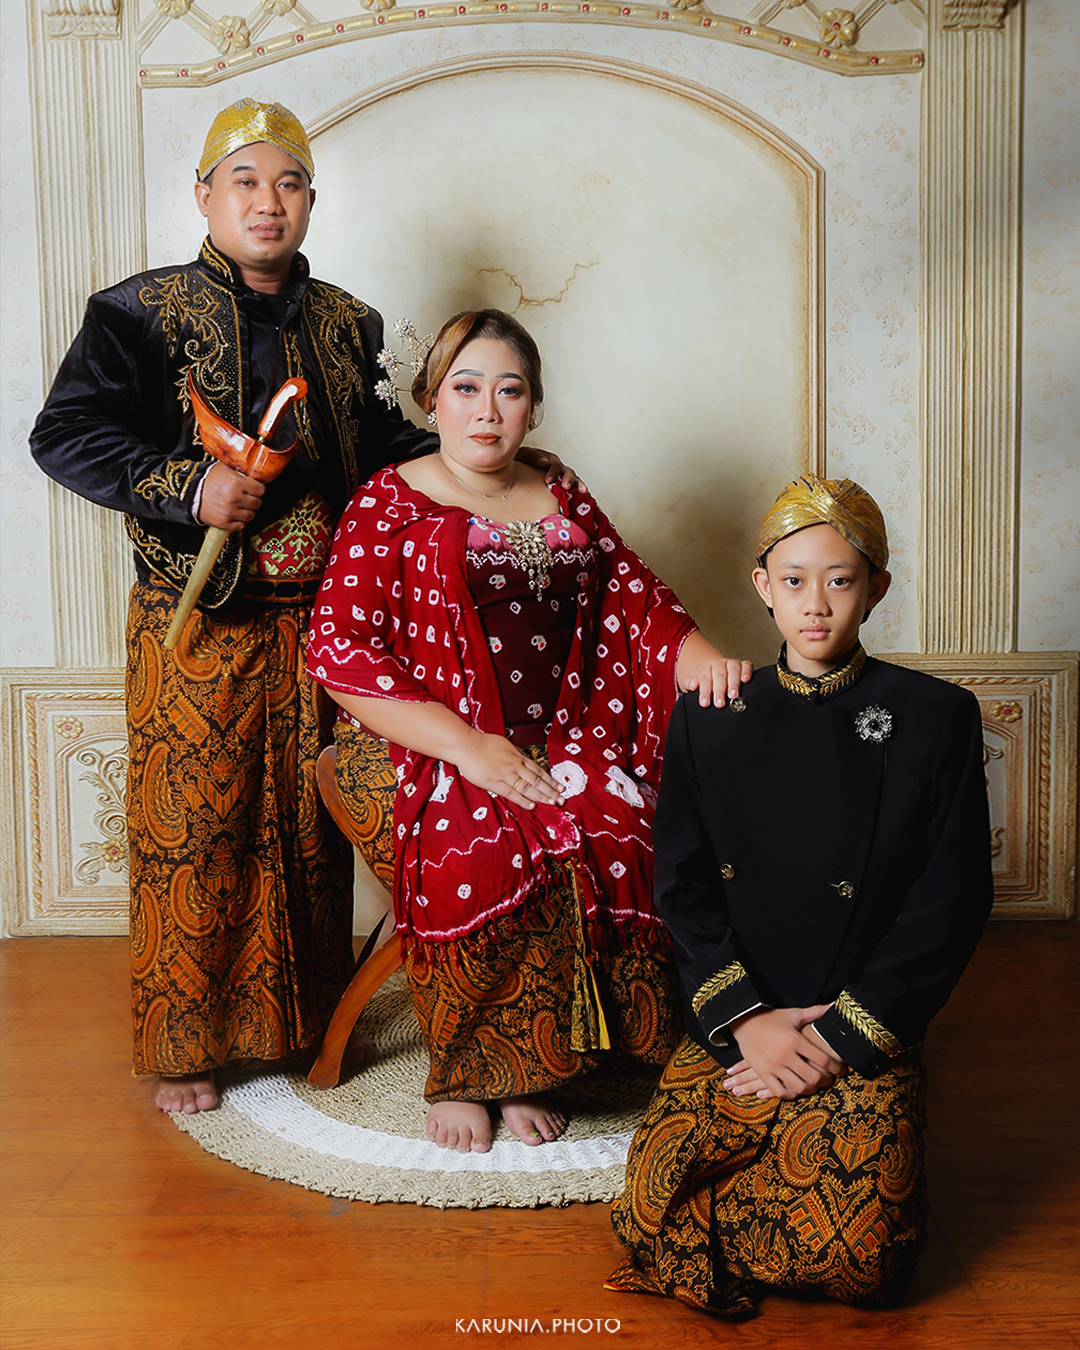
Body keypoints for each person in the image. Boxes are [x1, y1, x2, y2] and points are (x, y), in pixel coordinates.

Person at [29, 101, 568, 1115]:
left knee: (309, 833)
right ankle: (189, 1046)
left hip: (325, 624)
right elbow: (65, 435)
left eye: (287, 184)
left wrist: (491, 459)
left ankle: (305, 1021)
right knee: (199, 826)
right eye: (244, 181)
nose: (266, 203)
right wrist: (187, 489)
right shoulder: (135, 313)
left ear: (310, 201)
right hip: (201, 622)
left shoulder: (347, 323)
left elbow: (377, 452)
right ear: (204, 196)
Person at [306, 309, 752, 1152]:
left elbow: (633, 596)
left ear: (534, 407)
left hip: (573, 732)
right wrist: (468, 747)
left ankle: (556, 1057)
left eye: (509, 391)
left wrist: (709, 661)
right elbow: (338, 645)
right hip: (427, 737)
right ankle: (479, 1070)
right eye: (465, 389)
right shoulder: (389, 501)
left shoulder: (561, 487)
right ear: (431, 401)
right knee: (490, 848)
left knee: (622, 829)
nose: (486, 410)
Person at [607, 474, 993, 1314]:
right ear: (762, 589)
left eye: (840, 579)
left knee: (866, 1264)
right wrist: (748, 1022)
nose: (814, 604)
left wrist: (837, 1042)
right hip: (743, 1009)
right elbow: (681, 883)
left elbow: (952, 899)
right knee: (643, 1209)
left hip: (856, 1017)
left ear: (877, 588)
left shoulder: (937, 717)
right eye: (792, 580)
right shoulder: (713, 713)